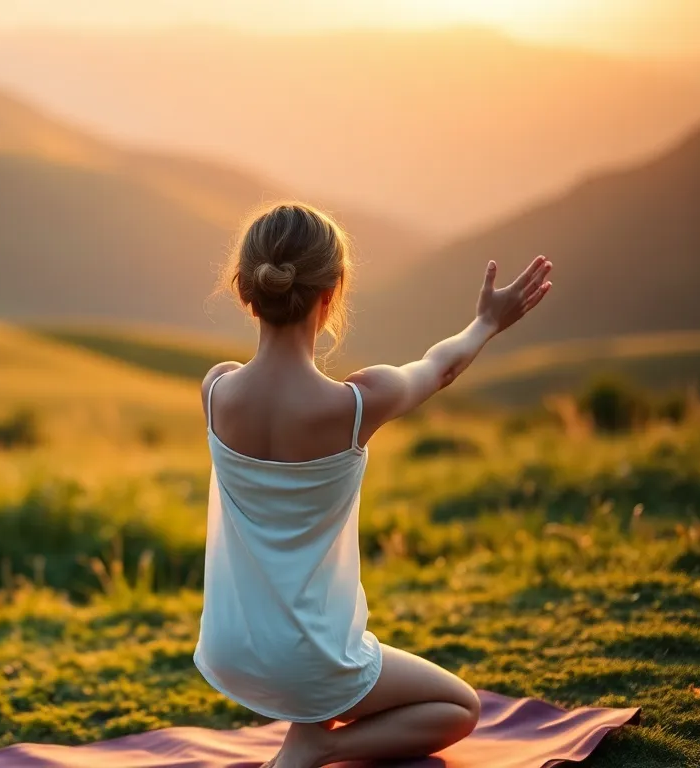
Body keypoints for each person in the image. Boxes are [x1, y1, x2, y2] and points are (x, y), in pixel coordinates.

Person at [194, 203, 553, 768]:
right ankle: (320, 744)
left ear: (246, 289)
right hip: (311, 662)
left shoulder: (216, 391)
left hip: (230, 650)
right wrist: (486, 322)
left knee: (316, 651)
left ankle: (310, 730)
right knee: (459, 707)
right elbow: (440, 367)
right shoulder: (357, 405)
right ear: (331, 294)